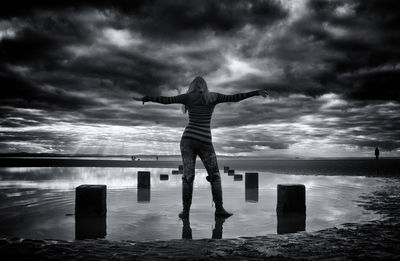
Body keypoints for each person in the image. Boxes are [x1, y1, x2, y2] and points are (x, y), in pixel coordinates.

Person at [133, 76, 268, 218]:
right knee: (215, 176)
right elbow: (235, 97)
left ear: (192, 86)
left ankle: (185, 212)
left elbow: (166, 100)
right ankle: (219, 209)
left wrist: (146, 98)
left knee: (188, 177)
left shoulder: (188, 97)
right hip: (205, 142)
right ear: (205, 86)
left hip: (187, 141)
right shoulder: (213, 97)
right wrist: (256, 93)